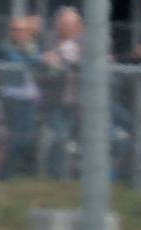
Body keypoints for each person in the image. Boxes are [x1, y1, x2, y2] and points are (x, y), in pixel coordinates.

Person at [0, 16, 41, 180]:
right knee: (16, 136)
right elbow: (17, 61)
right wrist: (36, 60)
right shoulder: (6, 47)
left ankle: (24, 172)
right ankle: (6, 174)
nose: (18, 33)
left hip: (29, 98)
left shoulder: (32, 46)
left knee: (28, 136)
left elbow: (37, 59)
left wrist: (37, 60)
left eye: (21, 30)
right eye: (15, 30)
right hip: (12, 96)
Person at [41, 7, 82, 179]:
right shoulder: (50, 40)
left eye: (70, 24)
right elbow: (47, 62)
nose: (66, 27)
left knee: (76, 140)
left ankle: (72, 174)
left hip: (79, 100)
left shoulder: (85, 42)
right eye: (63, 24)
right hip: (56, 99)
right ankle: (55, 174)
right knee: (60, 136)